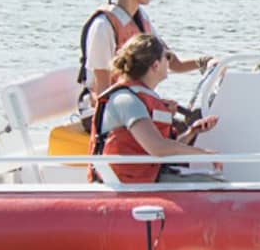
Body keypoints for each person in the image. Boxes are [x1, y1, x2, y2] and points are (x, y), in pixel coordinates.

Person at [78, 0, 215, 107]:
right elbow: (102, 92)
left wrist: (205, 62)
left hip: (131, 105)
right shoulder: (103, 26)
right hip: (102, 113)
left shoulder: (142, 20)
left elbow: (174, 63)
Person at [88, 34, 221, 184]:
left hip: (146, 176)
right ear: (155, 65)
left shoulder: (142, 97)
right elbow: (157, 148)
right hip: (125, 184)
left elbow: (162, 149)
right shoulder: (127, 100)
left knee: (213, 181)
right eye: (167, 57)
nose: (170, 63)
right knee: (213, 185)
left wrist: (192, 132)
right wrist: (204, 154)